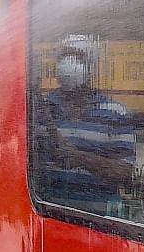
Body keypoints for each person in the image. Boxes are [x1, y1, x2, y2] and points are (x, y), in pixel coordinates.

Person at [32, 34, 136, 217]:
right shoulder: (41, 110)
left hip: (99, 222)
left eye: (78, 57)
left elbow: (125, 172)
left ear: (92, 67)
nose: (68, 64)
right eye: (64, 57)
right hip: (48, 215)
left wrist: (78, 158)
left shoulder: (116, 112)